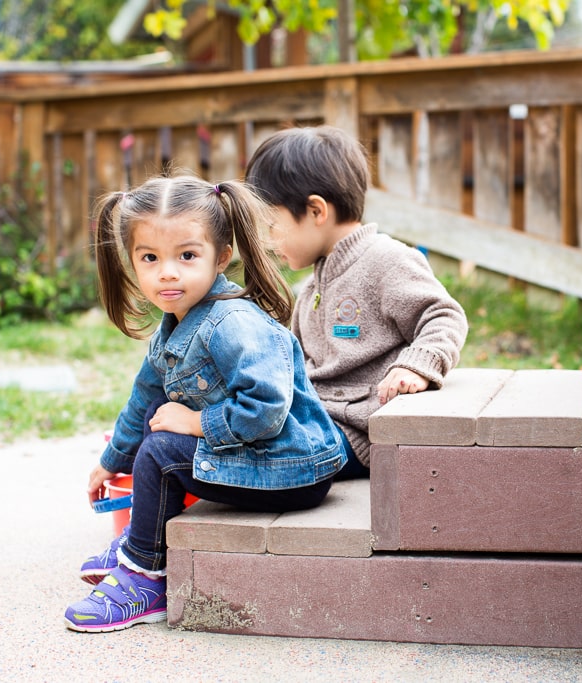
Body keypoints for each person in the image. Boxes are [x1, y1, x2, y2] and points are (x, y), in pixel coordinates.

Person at [64, 172, 346, 632]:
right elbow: (144, 399)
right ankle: (144, 541)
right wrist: (112, 461)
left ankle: (144, 576)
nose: (167, 271)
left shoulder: (231, 322)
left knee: (161, 451)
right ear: (132, 263)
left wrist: (195, 422)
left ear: (221, 258)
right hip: (262, 458)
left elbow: (267, 407)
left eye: (187, 256)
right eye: (150, 257)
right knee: (155, 436)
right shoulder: (175, 323)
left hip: (293, 469)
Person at [244, 125, 468, 480]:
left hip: (355, 433)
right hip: (315, 422)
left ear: (316, 210)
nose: (267, 241)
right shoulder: (312, 287)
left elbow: (442, 316)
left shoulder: (386, 260)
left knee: (272, 462)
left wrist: (416, 366)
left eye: (271, 225)